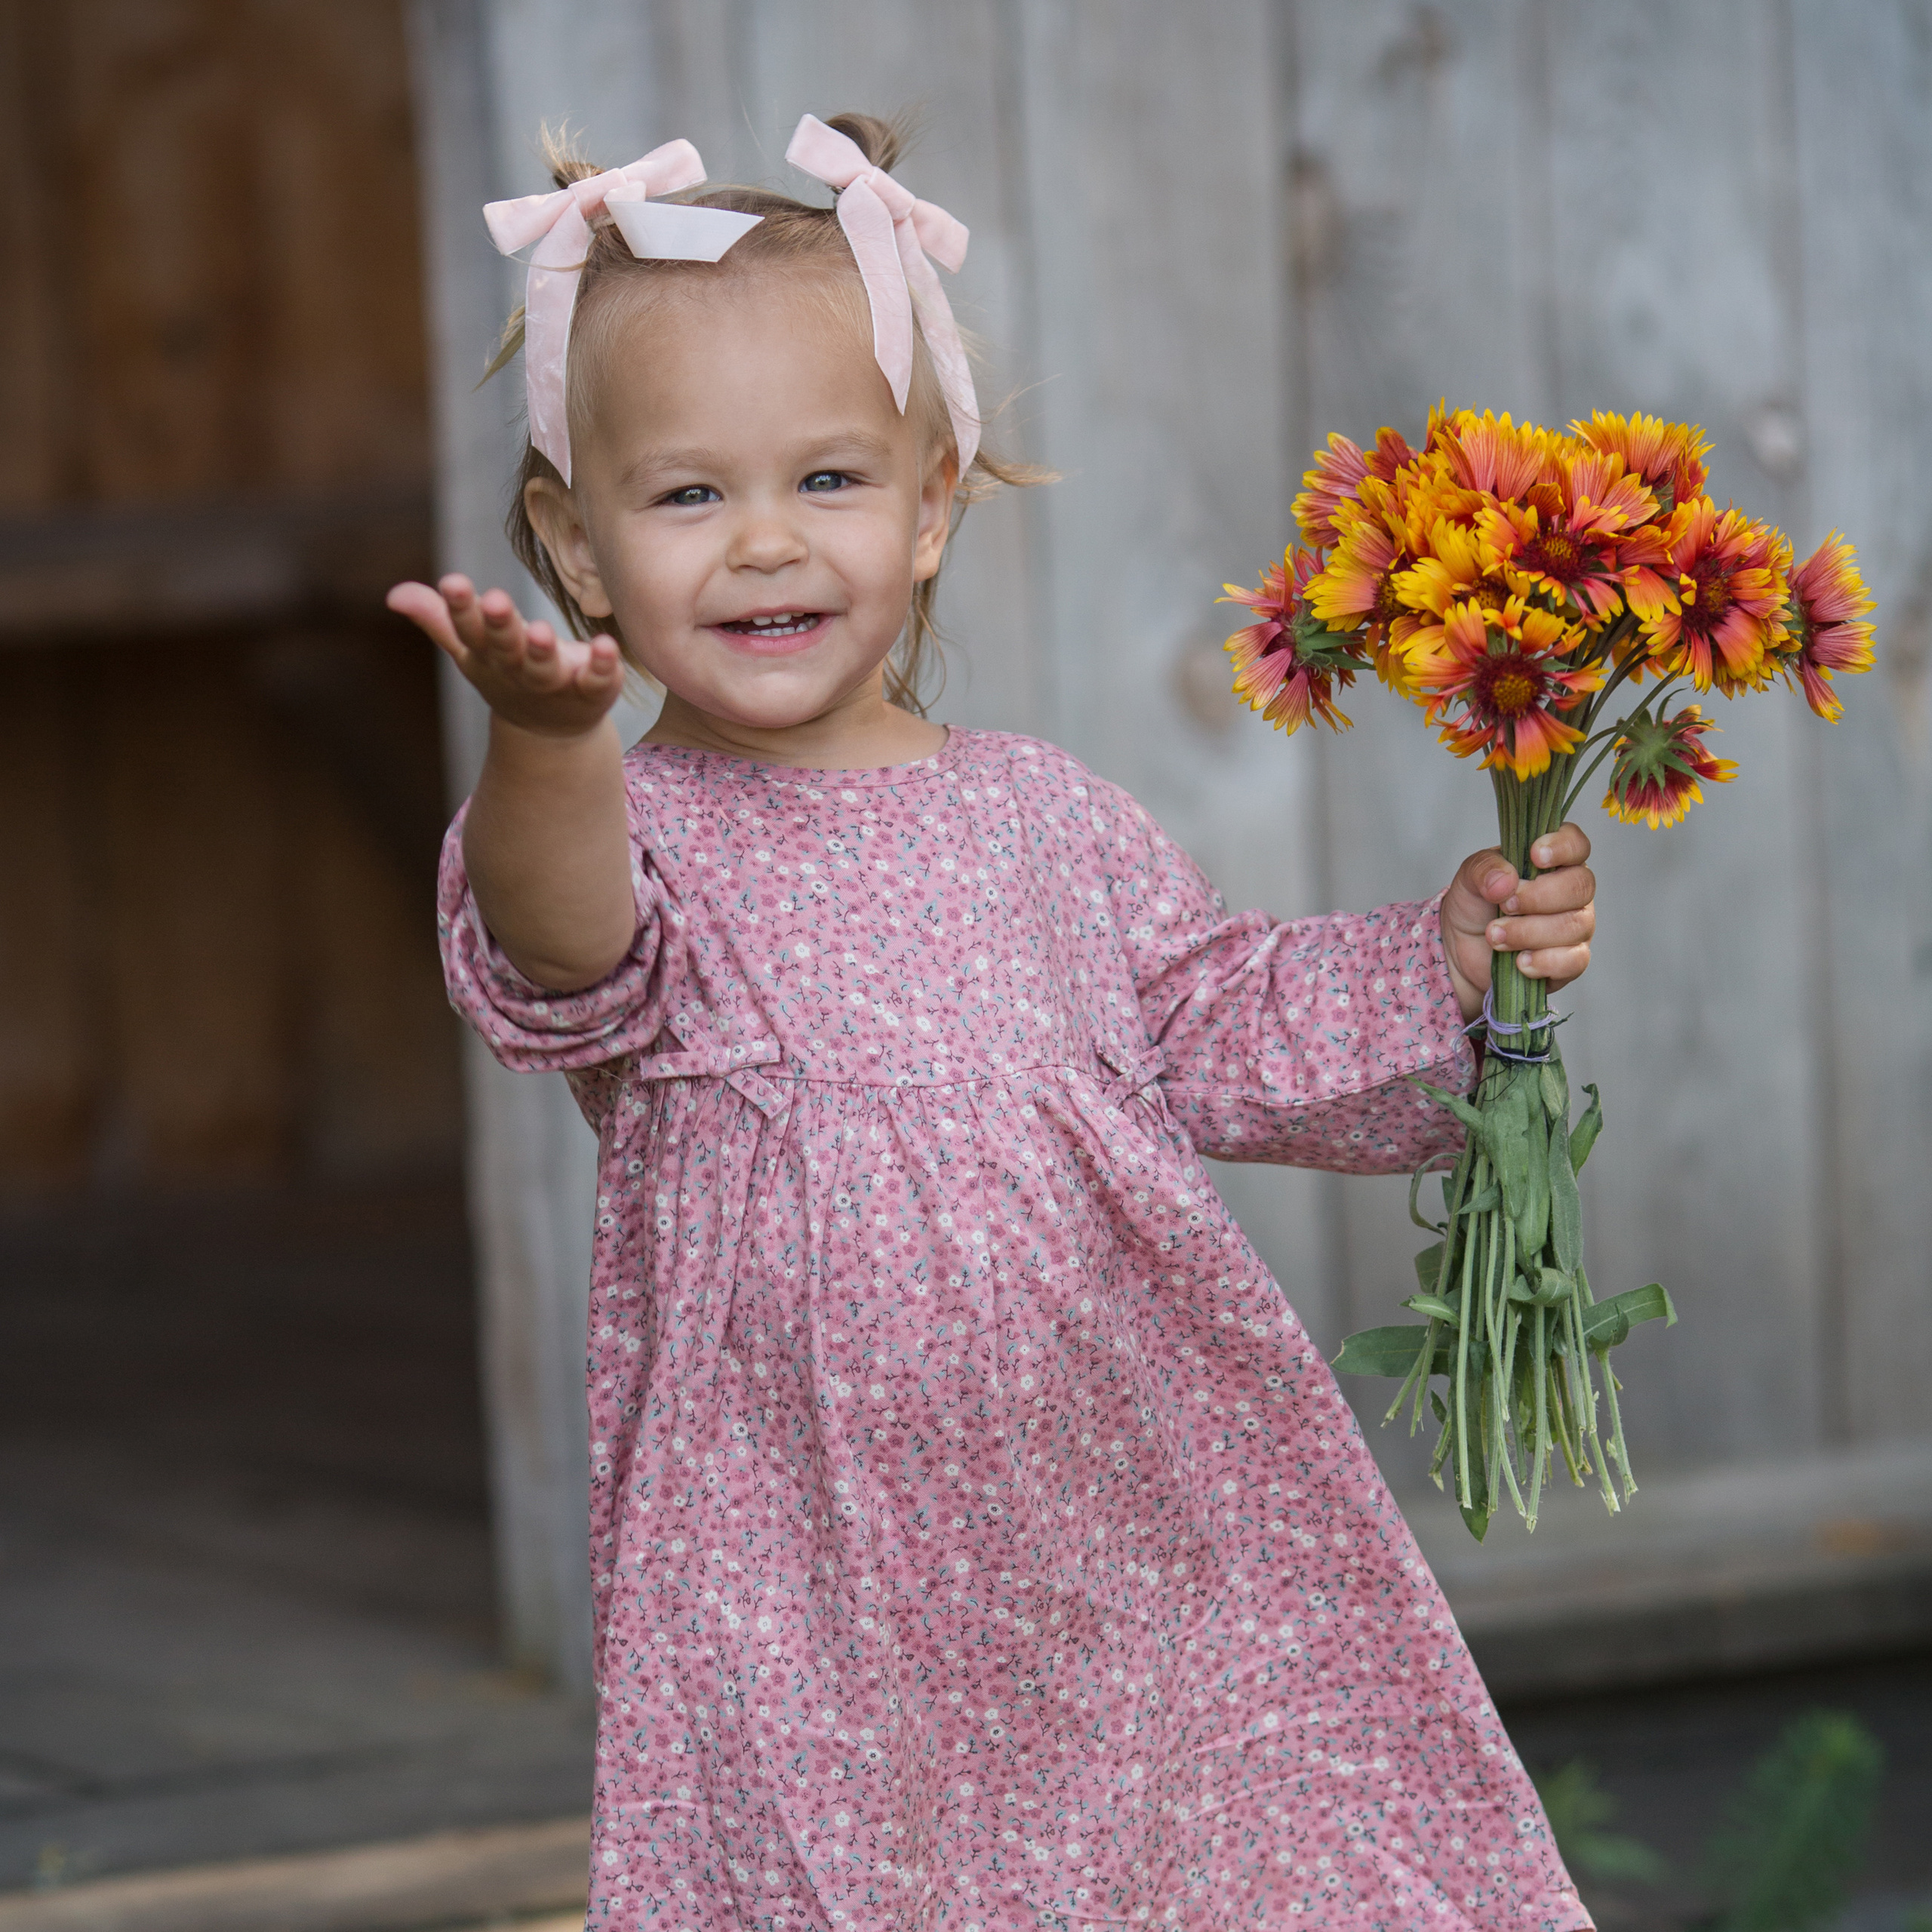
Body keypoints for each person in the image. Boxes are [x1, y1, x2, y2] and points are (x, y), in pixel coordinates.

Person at [391, 110, 1598, 1932]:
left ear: (931, 501)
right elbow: (557, 949)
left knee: (1206, 1849)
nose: (763, 542)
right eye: (686, 496)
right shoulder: (638, 837)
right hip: (807, 1565)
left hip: (1124, 1508)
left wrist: (1444, 955)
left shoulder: (1037, 814)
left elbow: (1213, 1020)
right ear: (575, 544)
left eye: (828, 479)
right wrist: (549, 742)